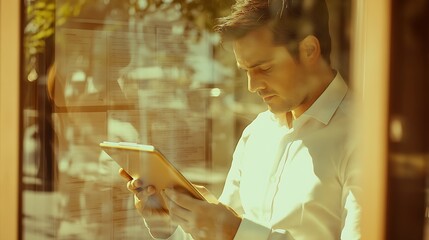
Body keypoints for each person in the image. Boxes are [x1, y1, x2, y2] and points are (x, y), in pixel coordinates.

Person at [120, 0, 361, 239]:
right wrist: (168, 224)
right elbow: (220, 235)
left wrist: (235, 231)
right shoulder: (258, 134)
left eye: (264, 68)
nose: (251, 86)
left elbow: (231, 233)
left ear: (309, 50)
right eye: (245, 71)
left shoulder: (363, 140)